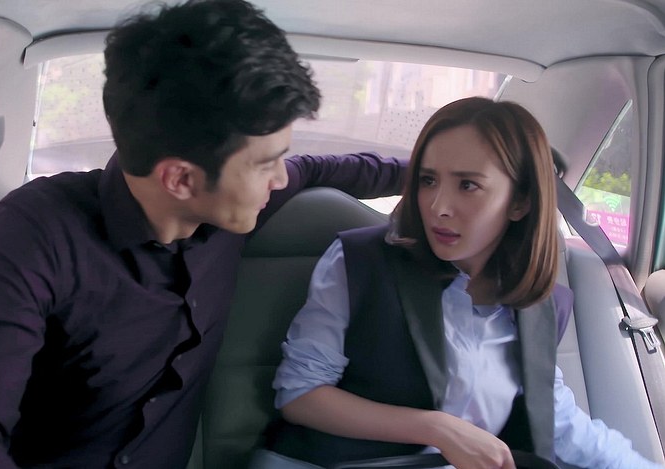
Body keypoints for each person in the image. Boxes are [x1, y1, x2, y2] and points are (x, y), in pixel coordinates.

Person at [0, 0, 406, 468]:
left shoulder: (233, 203)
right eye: (267, 164)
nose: (282, 178)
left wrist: (430, 175)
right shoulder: (38, 231)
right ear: (180, 179)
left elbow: (331, 167)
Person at [253, 97, 664, 469]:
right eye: (428, 180)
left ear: (520, 202)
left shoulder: (543, 305)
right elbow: (300, 394)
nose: (438, 207)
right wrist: (438, 429)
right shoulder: (360, 263)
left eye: (468, 185)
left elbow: (557, 419)